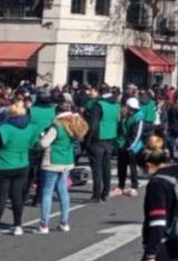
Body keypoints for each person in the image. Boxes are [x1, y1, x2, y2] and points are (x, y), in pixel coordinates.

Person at [36, 102, 89, 233]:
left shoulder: (57, 126)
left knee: (47, 192)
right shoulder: (73, 125)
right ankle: (64, 222)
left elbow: (44, 143)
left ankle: (44, 224)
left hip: (52, 161)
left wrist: (39, 142)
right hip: (66, 161)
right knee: (63, 191)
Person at [0, 103, 36, 237]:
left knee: (1, 197)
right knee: (17, 196)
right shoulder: (31, 127)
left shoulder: (4, 129)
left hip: (4, 164)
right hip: (22, 163)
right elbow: (33, 144)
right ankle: (18, 225)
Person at [86, 87, 120, 203]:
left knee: (97, 169)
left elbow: (93, 125)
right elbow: (118, 120)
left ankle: (96, 195)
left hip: (98, 139)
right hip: (110, 137)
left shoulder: (99, 105)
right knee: (106, 167)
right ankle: (105, 192)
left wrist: (87, 140)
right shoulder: (116, 105)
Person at [25, 91, 57, 205]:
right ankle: (38, 198)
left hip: (32, 143)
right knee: (43, 172)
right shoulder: (53, 111)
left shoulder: (31, 110)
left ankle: (23, 196)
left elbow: (25, 125)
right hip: (47, 143)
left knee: (28, 173)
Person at [111, 97, 144, 197]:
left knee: (133, 168)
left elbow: (137, 135)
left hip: (133, 147)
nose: (125, 108)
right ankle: (120, 186)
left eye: (127, 107)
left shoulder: (138, 118)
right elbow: (120, 130)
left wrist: (130, 146)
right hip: (122, 145)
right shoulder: (125, 116)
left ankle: (134, 187)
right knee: (121, 167)